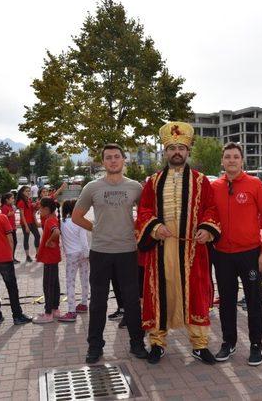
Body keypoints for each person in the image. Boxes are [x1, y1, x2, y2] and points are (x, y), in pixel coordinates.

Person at [136, 124, 221, 366]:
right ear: (164, 152)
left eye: (181, 148)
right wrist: (154, 226)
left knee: (195, 293)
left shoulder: (202, 181)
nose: (176, 152)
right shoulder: (152, 182)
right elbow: (143, 211)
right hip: (160, 247)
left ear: (187, 151)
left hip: (192, 249)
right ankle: (157, 343)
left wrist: (207, 228)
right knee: (160, 293)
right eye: (171, 148)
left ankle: (199, 345)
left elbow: (211, 209)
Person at [73, 144, 147, 364]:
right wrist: (96, 229)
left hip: (127, 251)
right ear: (103, 162)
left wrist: (135, 229)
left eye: (117, 157)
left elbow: (146, 215)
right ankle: (95, 346)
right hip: (101, 252)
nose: (113, 161)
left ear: (124, 160)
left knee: (132, 301)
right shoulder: (92, 187)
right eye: (108, 158)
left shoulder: (135, 187)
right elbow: (77, 217)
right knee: (98, 301)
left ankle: (137, 343)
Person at [211, 142, 262, 366]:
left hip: (250, 254)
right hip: (222, 255)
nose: (232, 160)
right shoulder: (215, 186)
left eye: (236, 156)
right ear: (222, 161)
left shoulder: (255, 184)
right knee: (226, 301)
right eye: (227, 157)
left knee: (254, 301)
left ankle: (256, 345)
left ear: (242, 160)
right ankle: (229, 342)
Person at [0, 190, 32, 325]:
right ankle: (17, 315)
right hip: (3, 256)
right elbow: (10, 238)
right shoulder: (2, 217)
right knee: (11, 287)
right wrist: (10, 255)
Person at [59, 199, 90, 322]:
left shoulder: (62, 223)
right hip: (83, 253)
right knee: (84, 279)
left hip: (72, 255)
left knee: (70, 282)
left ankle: (71, 310)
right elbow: (84, 240)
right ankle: (83, 303)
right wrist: (87, 254)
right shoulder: (79, 222)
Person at [33, 197, 62, 324]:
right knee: (54, 284)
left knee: (48, 285)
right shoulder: (52, 218)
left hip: (50, 257)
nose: (39, 210)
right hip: (53, 257)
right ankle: (55, 309)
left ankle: (48, 313)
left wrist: (49, 241)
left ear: (46, 209)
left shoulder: (50, 221)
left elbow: (56, 232)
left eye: (40, 208)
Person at [16, 186, 40, 262]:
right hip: (25, 223)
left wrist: (36, 206)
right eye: (26, 191)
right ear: (22, 192)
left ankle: (37, 254)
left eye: (29, 191)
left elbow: (32, 210)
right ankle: (27, 256)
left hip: (32, 222)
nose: (28, 192)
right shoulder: (21, 202)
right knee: (26, 238)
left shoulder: (29, 200)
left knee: (37, 236)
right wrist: (26, 226)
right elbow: (22, 215)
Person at [0, 193, 19, 264]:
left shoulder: (10, 206)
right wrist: (14, 210)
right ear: (7, 200)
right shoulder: (4, 207)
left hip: (12, 227)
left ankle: (12, 257)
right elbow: (7, 215)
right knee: (11, 243)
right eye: (12, 198)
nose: (13, 200)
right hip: (8, 228)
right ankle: (10, 258)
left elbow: (12, 217)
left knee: (14, 242)